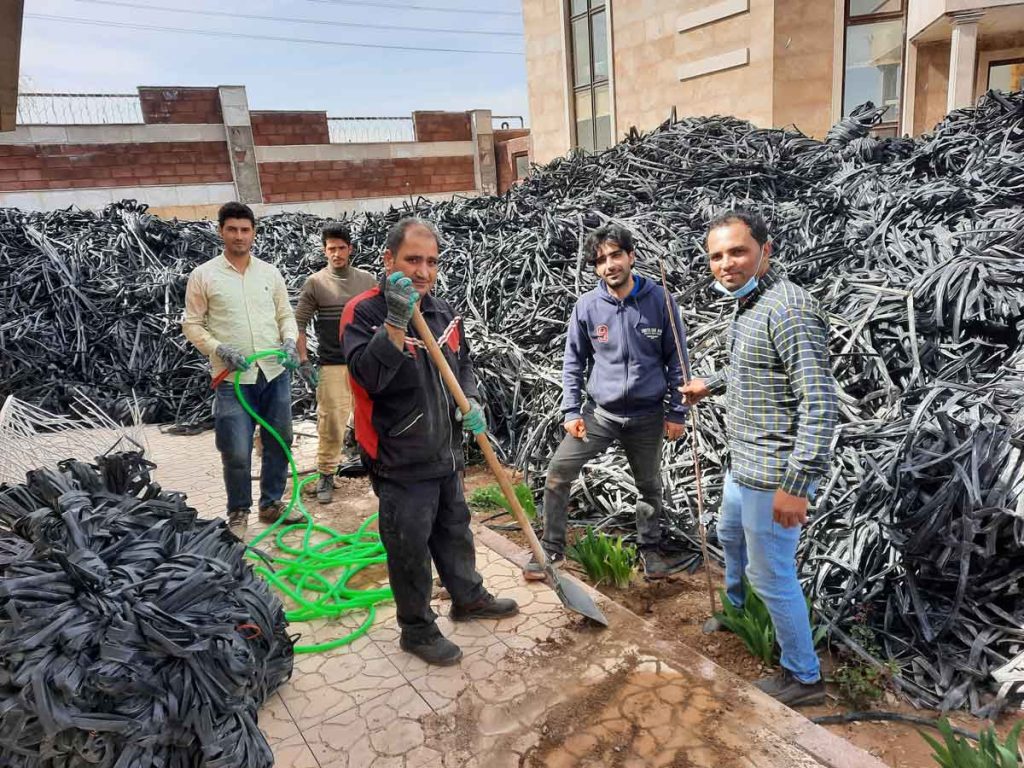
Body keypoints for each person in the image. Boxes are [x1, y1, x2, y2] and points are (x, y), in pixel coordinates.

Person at [340, 217, 518, 666]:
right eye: (412, 259)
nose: (422, 271)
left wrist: (471, 400)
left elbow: (464, 368)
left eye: (431, 262)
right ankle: (416, 630)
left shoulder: (441, 312)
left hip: (445, 449)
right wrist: (396, 321)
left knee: (455, 529)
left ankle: (467, 597)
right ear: (388, 260)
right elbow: (368, 376)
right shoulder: (362, 312)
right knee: (409, 547)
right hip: (399, 456)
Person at [681, 209, 838, 707]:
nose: (726, 264)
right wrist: (713, 383)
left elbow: (819, 402)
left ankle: (804, 677)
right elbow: (755, 367)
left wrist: (798, 483)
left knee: (772, 572)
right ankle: (739, 612)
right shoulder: (749, 305)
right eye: (717, 256)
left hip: (774, 474)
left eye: (737, 251)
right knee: (730, 537)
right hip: (743, 463)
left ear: (765, 251)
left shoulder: (788, 308)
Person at [524, 224, 688, 582]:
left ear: (631, 256)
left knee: (649, 485)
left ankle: (650, 549)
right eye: (600, 260)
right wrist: (571, 410)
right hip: (601, 414)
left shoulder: (660, 301)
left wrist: (678, 410)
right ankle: (551, 547)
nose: (609, 265)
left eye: (616, 255)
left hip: (647, 415)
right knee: (558, 472)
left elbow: (677, 358)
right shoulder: (587, 306)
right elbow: (573, 361)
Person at [182, 201, 304, 537]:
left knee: (280, 438)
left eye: (245, 230)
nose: (239, 236)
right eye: (232, 229)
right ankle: (239, 511)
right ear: (221, 231)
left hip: (273, 373)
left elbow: (284, 316)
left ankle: (271, 503)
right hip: (232, 378)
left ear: (253, 233)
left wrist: (290, 341)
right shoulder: (204, 275)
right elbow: (191, 324)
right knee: (235, 447)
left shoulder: (269, 273)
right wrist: (219, 349)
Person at [294, 223, 376, 503]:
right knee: (330, 421)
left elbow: (382, 316)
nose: (337, 253)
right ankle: (326, 475)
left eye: (342, 248)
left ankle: (378, 469)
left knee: (374, 417)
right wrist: (303, 359)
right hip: (333, 364)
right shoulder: (316, 283)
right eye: (332, 248)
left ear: (350, 249)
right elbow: (299, 324)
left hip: (366, 361)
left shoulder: (367, 281)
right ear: (324, 250)